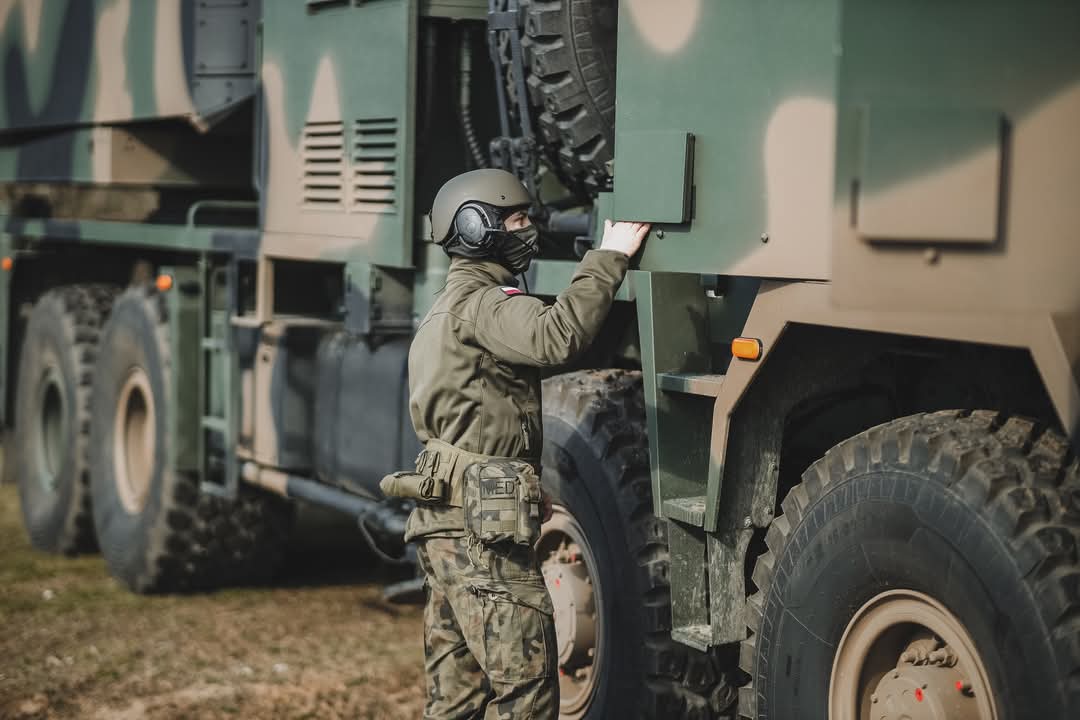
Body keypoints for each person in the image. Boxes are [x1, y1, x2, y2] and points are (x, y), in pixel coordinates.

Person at [399, 168, 648, 719]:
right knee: (527, 693)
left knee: (455, 699)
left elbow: (478, 417)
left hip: (447, 524)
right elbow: (558, 334)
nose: (527, 228)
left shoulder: (443, 309)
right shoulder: (484, 304)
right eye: (515, 218)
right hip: (480, 534)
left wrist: (524, 490)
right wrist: (610, 255)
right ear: (476, 227)